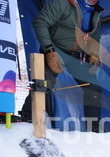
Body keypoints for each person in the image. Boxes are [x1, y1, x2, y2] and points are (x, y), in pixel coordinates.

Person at [20, 0, 104, 131]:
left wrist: (93, 53)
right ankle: (27, 120)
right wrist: (49, 51)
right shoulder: (62, 3)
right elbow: (40, 22)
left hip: (76, 56)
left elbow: (95, 35)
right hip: (55, 50)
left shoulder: (97, 12)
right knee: (44, 84)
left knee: (93, 88)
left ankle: (94, 129)